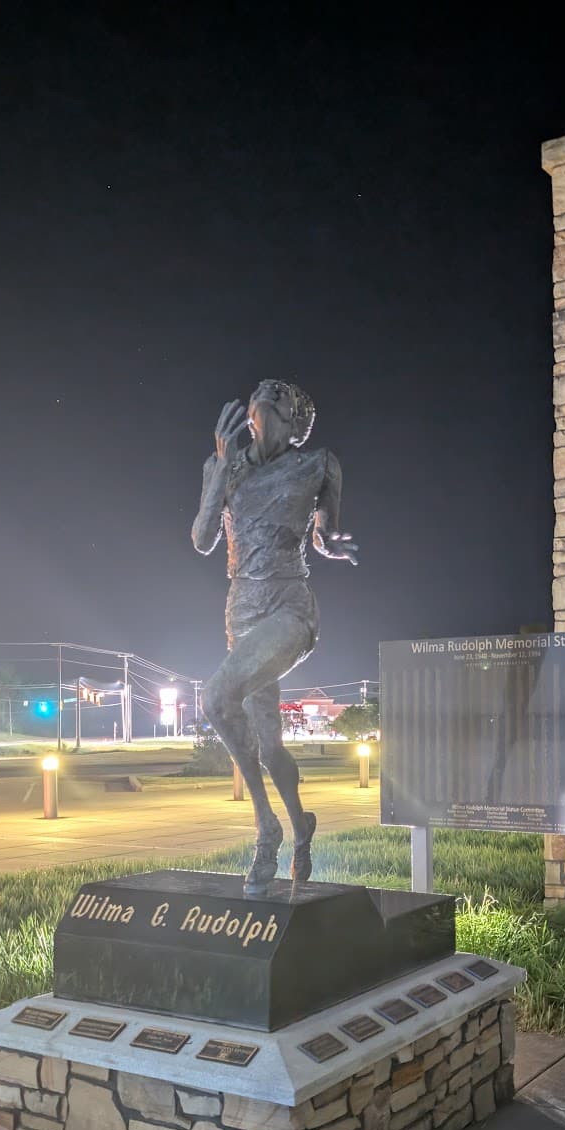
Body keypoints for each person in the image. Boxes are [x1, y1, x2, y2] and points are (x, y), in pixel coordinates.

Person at [192, 379, 358, 896]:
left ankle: (267, 828)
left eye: (269, 406)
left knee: (217, 697)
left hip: (289, 608)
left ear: (289, 420)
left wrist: (331, 543)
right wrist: (219, 474)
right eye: (256, 407)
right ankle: (300, 824)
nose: (256, 414)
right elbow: (201, 539)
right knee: (269, 748)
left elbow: (324, 531)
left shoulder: (318, 464)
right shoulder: (225, 467)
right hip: (240, 612)